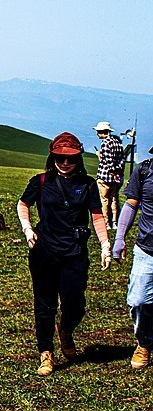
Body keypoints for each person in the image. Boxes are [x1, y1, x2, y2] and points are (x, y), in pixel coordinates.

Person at [17, 132, 110, 376]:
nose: (65, 163)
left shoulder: (88, 185)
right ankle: (46, 354)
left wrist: (105, 245)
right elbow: (23, 204)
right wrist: (27, 229)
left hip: (75, 252)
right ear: (53, 157)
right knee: (44, 305)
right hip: (44, 251)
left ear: (78, 159)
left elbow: (97, 216)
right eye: (60, 158)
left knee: (75, 303)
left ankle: (66, 330)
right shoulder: (41, 181)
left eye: (70, 159)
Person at [111, 150, 153, 369]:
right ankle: (144, 342)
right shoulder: (145, 170)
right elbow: (131, 204)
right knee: (138, 301)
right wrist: (119, 238)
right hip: (147, 249)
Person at [95, 121, 125, 229]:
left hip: (105, 176)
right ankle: (115, 222)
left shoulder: (105, 143)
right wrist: (117, 171)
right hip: (115, 178)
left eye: (98, 132)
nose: (97, 134)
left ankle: (106, 223)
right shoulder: (117, 142)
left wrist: (99, 155)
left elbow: (108, 161)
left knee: (104, 200)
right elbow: (122, 159)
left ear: (102, 132)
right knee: (113, 199)